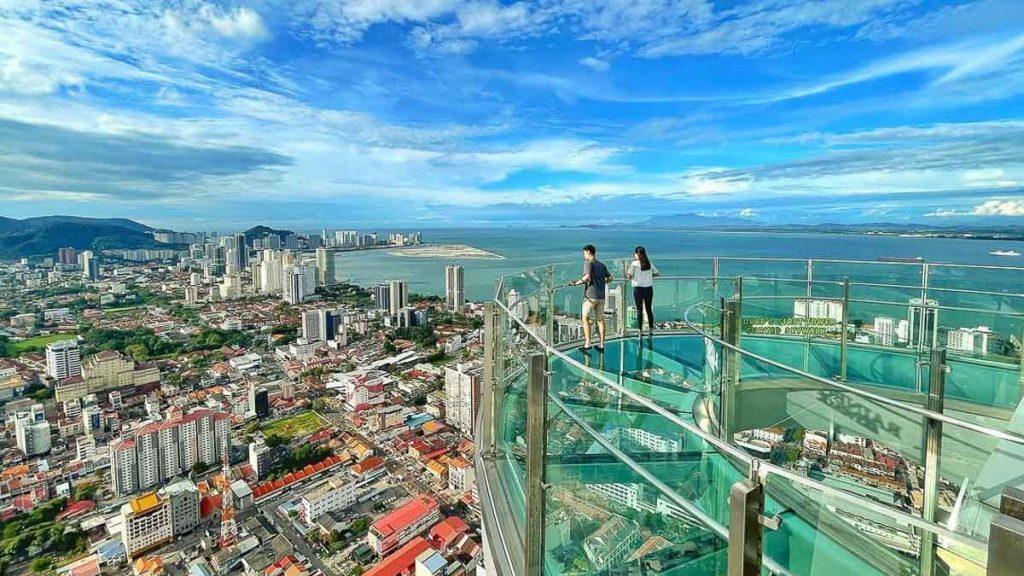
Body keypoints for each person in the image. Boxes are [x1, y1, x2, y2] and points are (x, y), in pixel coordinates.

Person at [570, 244, 612, 352]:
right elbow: (610, 278)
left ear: (588, 252)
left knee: (584, 318)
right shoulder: (602, 265)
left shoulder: (588, 263)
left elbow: (587, 277)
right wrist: (601, 282)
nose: (584, 255)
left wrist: (576, 283)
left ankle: (588, 343)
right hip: (601, 297)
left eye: (584, 253)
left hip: (590, 296)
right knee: (600, 320)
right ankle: (601, 344)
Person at [626, 246, 658, 338]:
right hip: (649, 288)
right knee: (648, 309)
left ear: (637, 254)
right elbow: (657, 273)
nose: (634, 255)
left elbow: (629, 275)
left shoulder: (634, 264)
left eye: (634, 253)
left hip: (638, 289)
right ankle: (651, 330)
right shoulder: (648, 263)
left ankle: (640, 331)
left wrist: (632, 276)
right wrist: (648, 276)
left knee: (639, 310)